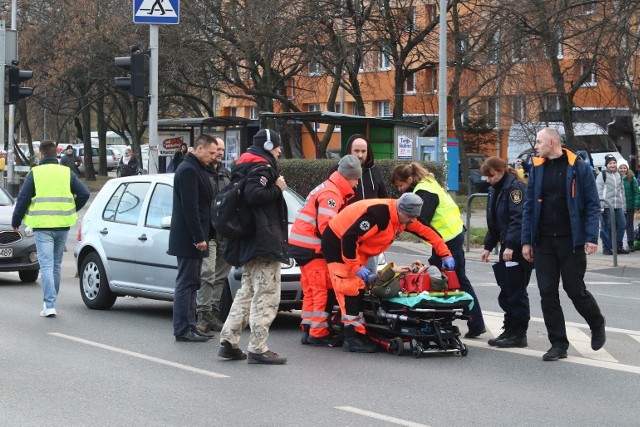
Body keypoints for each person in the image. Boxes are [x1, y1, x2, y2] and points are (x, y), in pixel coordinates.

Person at [321, 193, 454, 353]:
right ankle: (351, 337)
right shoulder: (378, 215)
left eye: (414, 217)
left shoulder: (405, 217)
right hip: (338, 242)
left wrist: (445, 254)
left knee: (359, 289)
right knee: (349, 289)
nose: (412, 221)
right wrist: (355, 266)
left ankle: (354, 331)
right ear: (400, 210)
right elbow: (349, 237)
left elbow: (428, 232)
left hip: (358, 247)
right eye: (410, 216)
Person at [521, 127, 606, 362]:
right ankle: (558, 344)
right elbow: (529, 206)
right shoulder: (537, 169)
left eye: (539, 142)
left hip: (571, 241)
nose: (536, 147)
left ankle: (596, 322)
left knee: (574, 290)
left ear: (552, 141)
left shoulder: (578, 166)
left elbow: (591, 204)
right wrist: (526, 241)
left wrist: (590, 236)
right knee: (547, 293)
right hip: (544, 242)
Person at [390, 163, 487, 338]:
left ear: (410, 179)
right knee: (453, 280)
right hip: (451, 236)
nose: (399, 189)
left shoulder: (423, 192)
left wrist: (398, 226)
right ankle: (472, 322)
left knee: (443, 281)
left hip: (446, 240)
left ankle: (469, 322)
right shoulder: (428, 184)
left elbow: (420, 222)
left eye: (400, 185)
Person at [217, 129, 289, 365]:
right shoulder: (263, 168)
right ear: (268, 146)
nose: (279, 150)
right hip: (263, 241)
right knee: (266, 295)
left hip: (248, 241)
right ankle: (258, 347)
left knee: (246, 292)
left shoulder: (242, 166)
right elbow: (254, 194)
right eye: (277, 146)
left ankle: (229, 340)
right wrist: (278, 188)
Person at [288, 155, 362, 346]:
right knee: (321, 290)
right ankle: (318, 333)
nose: (356, 184)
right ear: (348, 177)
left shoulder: (327, 187)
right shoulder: (332, 194)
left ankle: (308, 328)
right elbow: (327, 228)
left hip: (301, 246)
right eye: (355, 179)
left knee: (311, 290)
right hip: (313, 248)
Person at [12, 140, 90, 317]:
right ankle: (52, 302)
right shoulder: (66, 172)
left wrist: (16, 221)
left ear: (41, 154)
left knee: (46, 265)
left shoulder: (36, 173)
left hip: (43, 227)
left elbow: (23, 199)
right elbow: (84, 193)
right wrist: (70, 209)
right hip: (62, 225)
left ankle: (49, 305)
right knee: (56, 266)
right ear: (56, 154)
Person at [167, 134, 217, 342]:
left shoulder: (197, 168)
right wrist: (198, 237)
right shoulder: (188, 170)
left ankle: (190, 325)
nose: (214, 157)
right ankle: (182, 329)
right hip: (189, 238)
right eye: (211, 152)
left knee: (192, 282)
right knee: (186, 282)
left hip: (195, 237)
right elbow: (190, 208)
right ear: (199, 149)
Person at [480, 157, 532, 348]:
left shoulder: (515, 188)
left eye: (491, 176)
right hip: (506, 246)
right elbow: (494, 221)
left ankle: (519, 333)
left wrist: (510, 245)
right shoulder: (496, 189)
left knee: (516, 290)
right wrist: (488, 246)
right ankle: (509, 329)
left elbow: (517, 219)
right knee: (507, 289)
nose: (488, 180)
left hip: (516, 248)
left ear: (501, 171)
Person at [327, 134, 389, 274]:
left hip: (369, 237)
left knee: (369, 277)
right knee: (347, 278)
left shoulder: (375, 172)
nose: (360, 155)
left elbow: (384, 200)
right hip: (346, 235)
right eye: (356, 151)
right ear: (349, 151)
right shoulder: (336, 171)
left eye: (363, 151)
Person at [195, 136, 232, 336]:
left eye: (222, 149)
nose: (219, 152)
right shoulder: (202, 174)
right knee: (207, 274)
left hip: (225, 233)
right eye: (216, 148)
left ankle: (213, 314)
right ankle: (202, 314)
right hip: (208, 232)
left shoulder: (227, 174)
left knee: (220, 276)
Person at [596, 154, 627, 255]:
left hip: (618, 205)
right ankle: (607, 247)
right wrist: (601, 205)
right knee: (607, 226)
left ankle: (617, 246)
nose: (613, 165)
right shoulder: (602, 175)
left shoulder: (619, 175)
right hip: (606, 206)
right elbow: (598, 190)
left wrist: (624, 206)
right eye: (610, 163)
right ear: (606, 165)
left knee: (622, 224)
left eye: (614, 163)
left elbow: (622, 191)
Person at [618, 159, 639, 252]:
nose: (623, 169)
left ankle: (631, 244)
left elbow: (636, 192)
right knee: (620, 225)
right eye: (621, 168)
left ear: (627, 168)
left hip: (629, 206)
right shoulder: (616, 177)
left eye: (624, 168)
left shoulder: (631, 177)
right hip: (619, 206)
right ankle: (620, 244)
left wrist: (636, 205)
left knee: (629, 225)